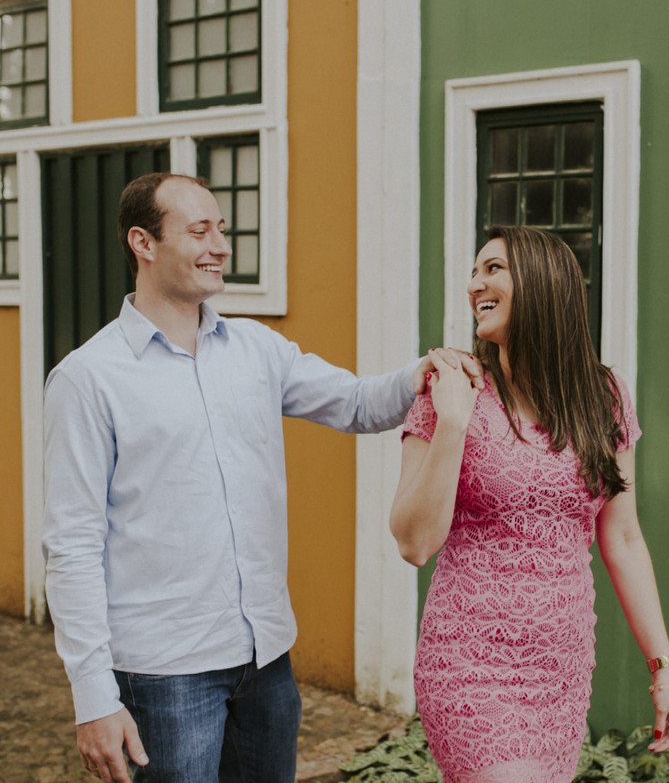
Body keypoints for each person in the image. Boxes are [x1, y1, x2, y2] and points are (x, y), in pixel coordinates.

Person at [42, 172, 480, 783]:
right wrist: (93, 696)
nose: (220, 244)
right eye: (199, 231)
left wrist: (430, 369)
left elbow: (357, 403)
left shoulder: (256, 349)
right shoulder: (87, 379)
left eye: (221, 227)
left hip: (266, 660)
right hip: (164, 673)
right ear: (143, 243)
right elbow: (71, 547)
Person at [389, 225, 669, 781]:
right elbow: (413, 543)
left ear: (544, 283)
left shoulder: (603, 395)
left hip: (561, 671)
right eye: (474, 271)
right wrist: (453, 422)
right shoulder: (452, 390)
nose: (476, 282)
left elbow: (623, 538)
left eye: (493, 268)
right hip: (470, 667)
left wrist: (662, 670)